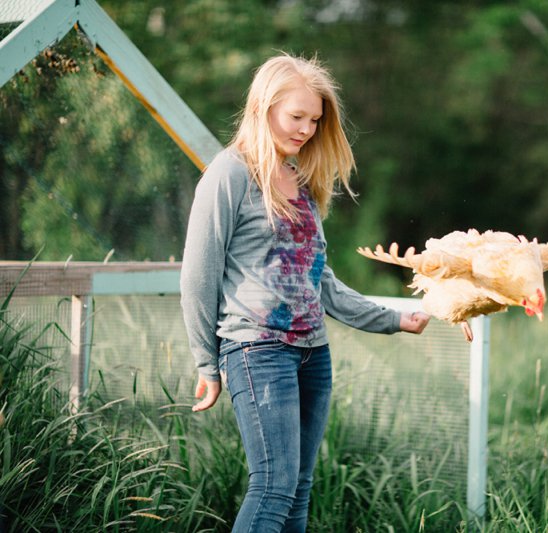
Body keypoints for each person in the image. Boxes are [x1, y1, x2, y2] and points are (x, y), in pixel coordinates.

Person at [179, 53, 430, 532]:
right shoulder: (229, 174)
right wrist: (206, 364)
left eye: (315, 120)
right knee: (272, 487)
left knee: (298, 489)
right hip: (257, 351)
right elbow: (197, 275)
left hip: (313, 355)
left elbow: (317, 279)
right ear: (263, 107)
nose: (306, 130)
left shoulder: (301, 181)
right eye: (297, 117)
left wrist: (393, 319)